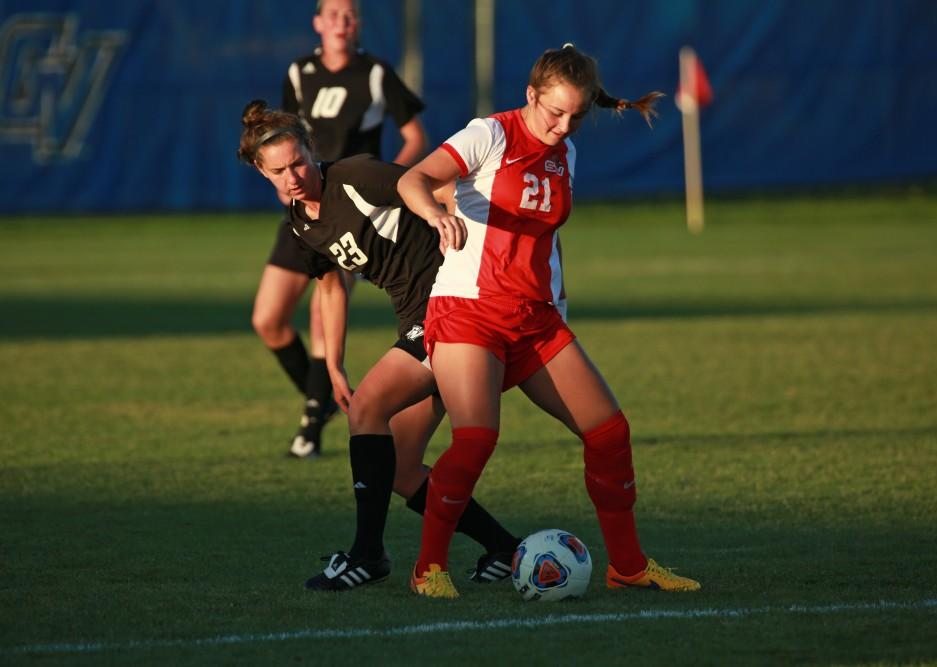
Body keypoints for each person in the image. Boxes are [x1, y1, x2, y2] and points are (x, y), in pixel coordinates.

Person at [397, 44, 702, 598]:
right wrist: (437, 212)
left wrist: (559, 303)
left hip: (534, 318)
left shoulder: (568, 155)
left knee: (610, 433)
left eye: (577, 116)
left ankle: (629, 566)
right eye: (554, 112)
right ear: (530, 95)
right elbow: (413, 179)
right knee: (477, 437)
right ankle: (429, 568)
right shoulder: (489, 134)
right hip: (469, 310)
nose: (563, 126)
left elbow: (545, 240)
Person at [238, 100, 520, 591]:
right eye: (280, 171)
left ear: (311, 149)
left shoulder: (355, 176)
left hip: (448, 307)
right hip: (415, 318)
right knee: (401, 468)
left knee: (366, 410)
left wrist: (449, 224)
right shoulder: (301, 224)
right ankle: (505, 547)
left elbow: (431, 183)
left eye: (299, 162)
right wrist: (334, 366)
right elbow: (330, 287)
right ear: (263, 173)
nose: (294, 177)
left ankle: (367, 555)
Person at [253, 0, 428, 458]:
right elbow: (278, 138)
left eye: (349, 14)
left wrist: (394, 188)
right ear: (317, 22)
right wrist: (283, 181)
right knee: (268, 320)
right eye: (332, 13)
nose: (341, 21)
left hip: (350, 207)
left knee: (322, 307)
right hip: (302, 213)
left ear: (358, 24)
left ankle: (310, 426)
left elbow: (416, 136)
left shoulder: (373, 73)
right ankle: (323, 398)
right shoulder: (300, 72)